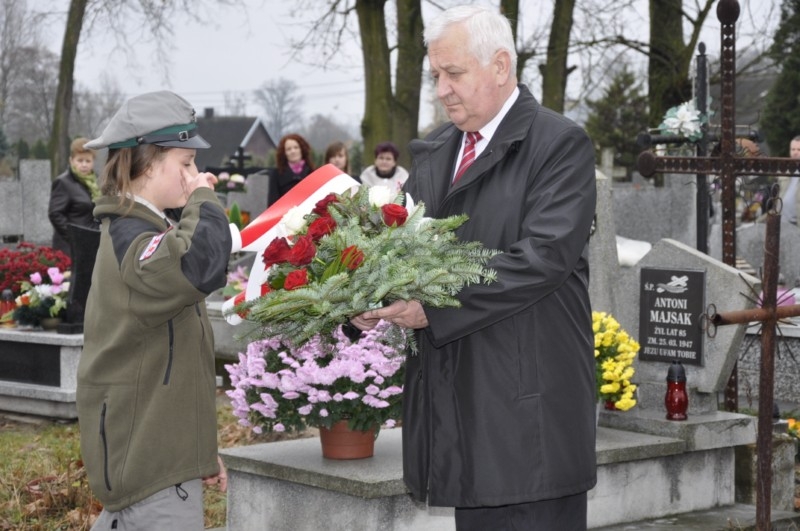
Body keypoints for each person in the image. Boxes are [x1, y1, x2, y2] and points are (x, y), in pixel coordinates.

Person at [351, 5, 597, 530]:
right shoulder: (437, 152)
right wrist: (365, 298)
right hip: (460, 410)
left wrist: (431, 307)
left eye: (454, 73)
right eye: (435, 75)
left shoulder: (558, 145)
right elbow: (400, 251)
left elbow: (541, 258)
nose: (442, 90)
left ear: (500, 66)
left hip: (528, 415)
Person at [77, 90, 230, 530]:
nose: (195, 174)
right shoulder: (132, 237)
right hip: (150, 469)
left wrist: (197, 453)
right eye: (186, 162)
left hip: (160, 457)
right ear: (146, 164)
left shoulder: (145, 230)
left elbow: (173, 362)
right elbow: (197, 264)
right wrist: (204, 200)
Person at [48, 137, 101, 258]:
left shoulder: (95, 184)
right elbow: (55, 214)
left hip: (91, 243)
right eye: (80, 160)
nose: (84, 165)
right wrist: (74, 237)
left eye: (88, 161)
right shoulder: (63, 182)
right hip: (69, 248)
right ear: (71, 160)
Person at [268, 133, 315, 205]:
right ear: (284, 153)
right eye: (288, 149)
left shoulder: (312, 172)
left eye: (296, 147)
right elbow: (272, 202)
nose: (293, 151)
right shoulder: (276, 173)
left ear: (302, 149)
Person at [779, 135, 800, 224]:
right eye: (793, 149)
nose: (795, 152)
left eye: (799, 150)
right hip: (782, 222)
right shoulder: (784, 171)